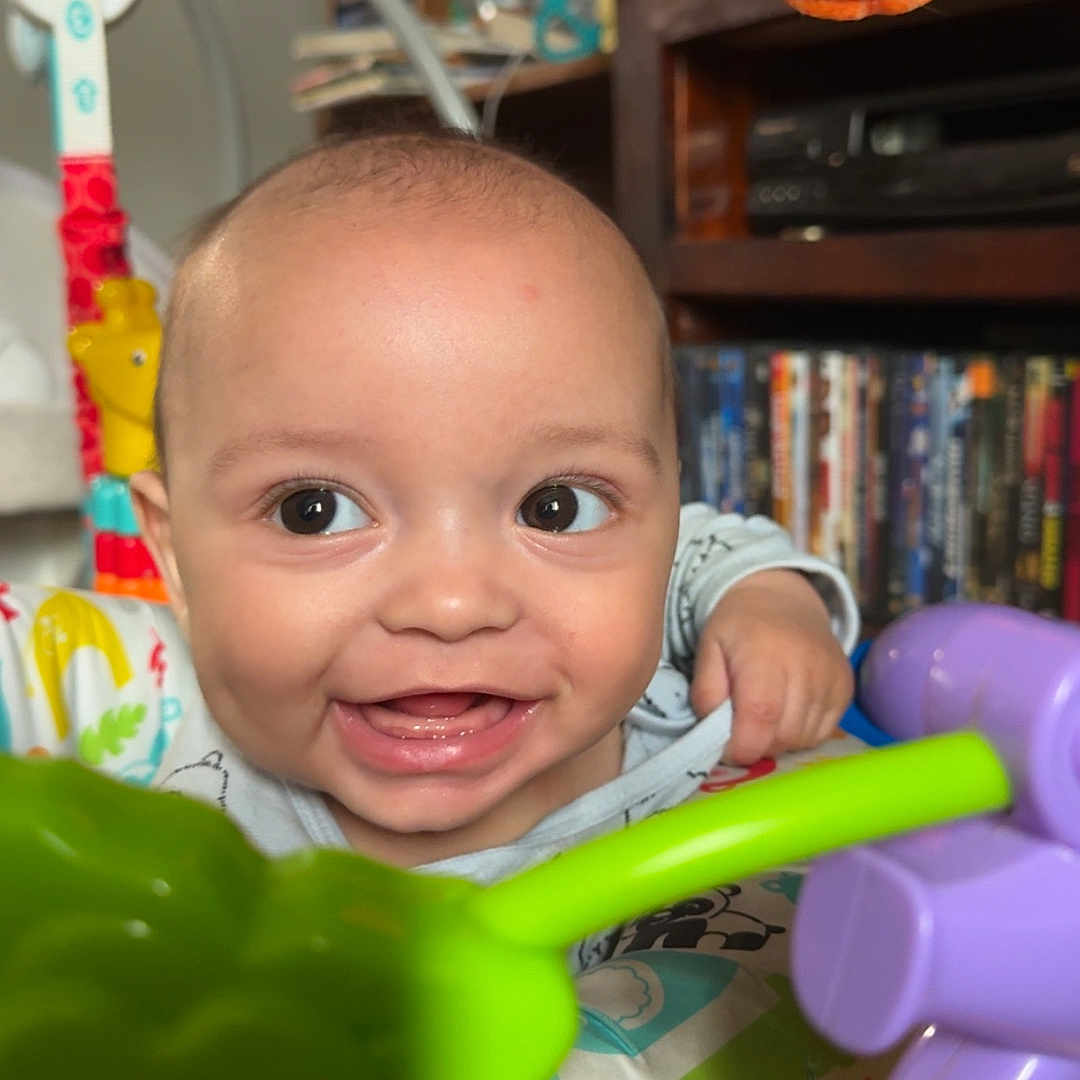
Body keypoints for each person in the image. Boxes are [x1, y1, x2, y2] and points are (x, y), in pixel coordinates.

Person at [1, 128, 857, 906]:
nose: (450, 605)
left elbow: (705, 545)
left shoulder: (679, 706)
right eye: (313, 512)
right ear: (174, 553)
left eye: (555, 508)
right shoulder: (145, 714)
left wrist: (767, 602)